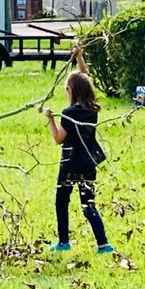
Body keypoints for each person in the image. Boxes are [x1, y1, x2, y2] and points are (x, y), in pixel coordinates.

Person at [42, 46, 113, 254]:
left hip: (70, 163)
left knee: (61, 201)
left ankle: (63, 242)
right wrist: (80, 57)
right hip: (89, 162)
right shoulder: (92, 109)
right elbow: (85, 78)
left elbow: (58, 139)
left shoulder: (68, 112)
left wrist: (50, 119)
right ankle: (103, 244)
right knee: (88, 204)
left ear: (71, 91)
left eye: (66, 88)